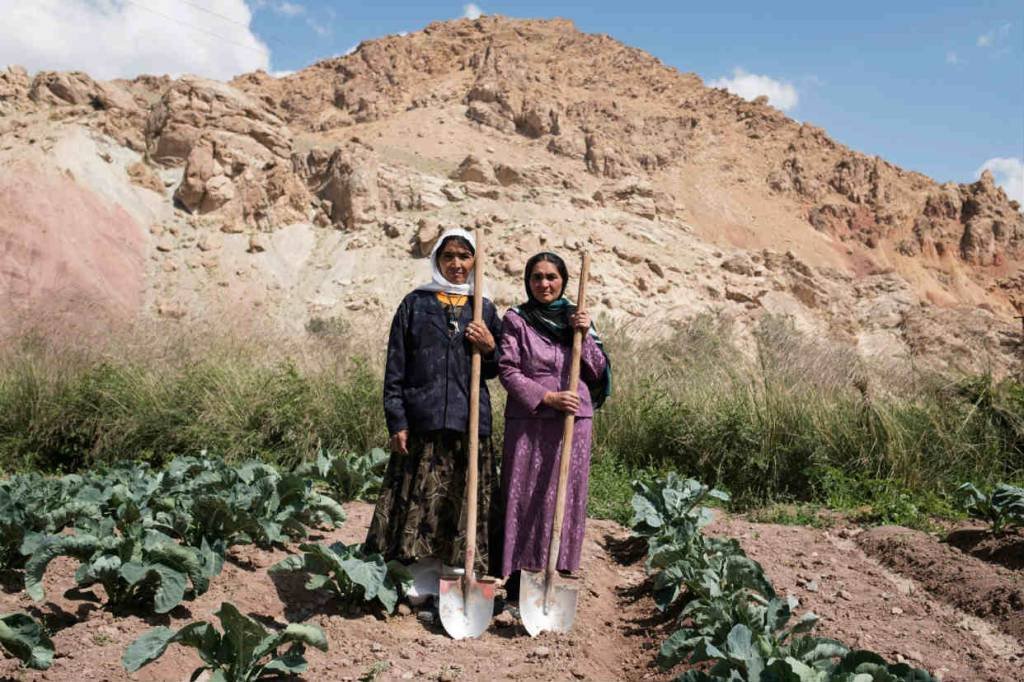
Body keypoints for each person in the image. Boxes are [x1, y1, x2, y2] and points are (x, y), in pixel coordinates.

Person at [364, 228, 503, 612]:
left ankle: (456, 583)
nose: (457, 264)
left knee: (461, 501)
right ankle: (415, 585)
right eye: (449, 256)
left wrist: (489, 347)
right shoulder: (414, 304)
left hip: (469, 421)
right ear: (437, 261)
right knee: (420, 504)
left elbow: (496, 369)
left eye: (464, 256)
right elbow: (396, 367)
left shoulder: (485, 307)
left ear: (475, 261)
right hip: (423, 420)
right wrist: (397, 420)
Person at [497, 251, 611, 604]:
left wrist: (584, 335)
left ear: (563, 281)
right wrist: (547, 397)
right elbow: (508, 369)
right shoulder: (516, 319)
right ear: (527, 282)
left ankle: (553, 571)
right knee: (524, 494)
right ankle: (517, 579)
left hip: (571, 420)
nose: (544, 284)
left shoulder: (577, 320)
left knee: (562, 493)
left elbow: (598, 372)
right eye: (537, 277)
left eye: (551, 277)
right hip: (530, 417)